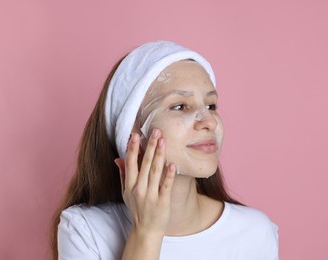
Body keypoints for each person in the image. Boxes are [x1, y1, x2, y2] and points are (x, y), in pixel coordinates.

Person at [50, 41, 279, 260]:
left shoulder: (255, 233)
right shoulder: (85, 231)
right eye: (180, 106)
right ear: (131, 134)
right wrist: (147, 232)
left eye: (210, 105)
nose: (209, 121)